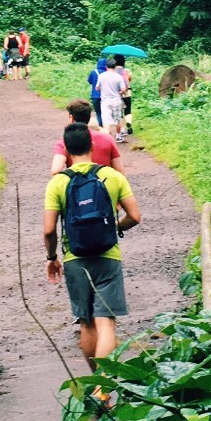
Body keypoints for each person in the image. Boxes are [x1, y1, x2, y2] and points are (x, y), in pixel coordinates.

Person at [44, 122, 142, 370]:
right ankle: (104, 388)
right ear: (91, 145)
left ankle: (96, 379)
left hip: (75, 258)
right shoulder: (112, 176)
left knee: (86, 323)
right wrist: (114, 228)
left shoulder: (57, 183)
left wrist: (51, 257)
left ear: (66, 149)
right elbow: (134, 216)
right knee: (106, 322)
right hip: (108, 255)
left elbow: (48, 229)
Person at [49, 99, 121, 175]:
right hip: (104, 184)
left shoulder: (65, 141)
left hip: (78, 184)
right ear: (89, 117)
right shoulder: (107, 138)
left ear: (72, 118)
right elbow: (120, 171)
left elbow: (55, 170)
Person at [95, 57, 128, 142]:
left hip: (105, 100)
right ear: (115, 66)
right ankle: (118, 136)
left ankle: (107, 137)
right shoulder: (118, 76)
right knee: (117, 119)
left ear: (106, 66)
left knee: (106, 119)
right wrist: (119, 92)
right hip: (116, 100)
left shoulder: (101, 76)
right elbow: (124, 89)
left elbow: (97, 88)